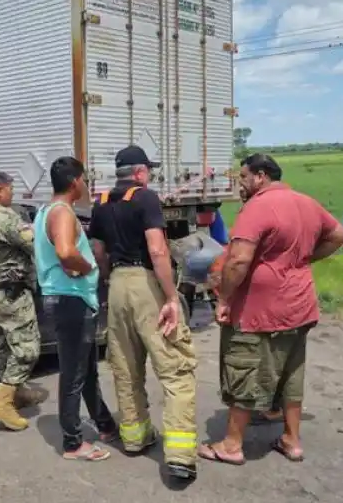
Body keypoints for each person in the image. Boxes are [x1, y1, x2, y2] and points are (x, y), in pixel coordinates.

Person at [201, 153, 343, 466]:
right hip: (299, 305)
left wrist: (224, 298)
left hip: (260, 309)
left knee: (243, 366)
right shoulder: (305, 202)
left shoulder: (258, 206)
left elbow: (238, 260)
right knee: (292, 371)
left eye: (243, 177)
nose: (240, 184)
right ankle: (292, 440)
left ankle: (231, 444)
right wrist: (302, 259)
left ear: (261, 176)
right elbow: (338, 235)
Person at [89, 145, 199, 483]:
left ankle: (135, 438)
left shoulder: (101, 202)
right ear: (139, 172)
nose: (149, 174)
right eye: (148, 169)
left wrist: (109, 280)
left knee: (125, 366)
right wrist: (170, 296)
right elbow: (157, 248)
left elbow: (97, 251)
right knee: (175, 367)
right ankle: (180, 456)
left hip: (117, 284)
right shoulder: (146, 198)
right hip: (145, 283)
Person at [33, 156, 118, 461]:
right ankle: (72, 442)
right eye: (83, 179)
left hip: (68, 300)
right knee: (73, 374)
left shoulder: (45, 211)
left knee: (86, 370)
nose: (86, 184)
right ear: (74, 182)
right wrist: (86, 266)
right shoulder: (62, 212)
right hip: (71, 301)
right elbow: (66, 252)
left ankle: (105, 424)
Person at [0, 170, 46, 431]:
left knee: (1, 346)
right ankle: (3, 402)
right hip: (9, 293)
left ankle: (16, 395)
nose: (12, 195)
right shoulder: (4, 217)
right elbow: (34, 242)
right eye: (10, 190)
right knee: (28, 348)